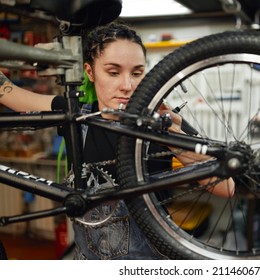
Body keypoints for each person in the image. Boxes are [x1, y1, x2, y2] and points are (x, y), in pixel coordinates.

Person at [0, 21, 234, 259]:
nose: (127, 86)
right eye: (113, 72)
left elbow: (227, 187)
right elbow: (9, 93)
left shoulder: (161, 120)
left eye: (137, 73)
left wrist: (172, 132)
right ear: (90, 72)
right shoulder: (73, 114)